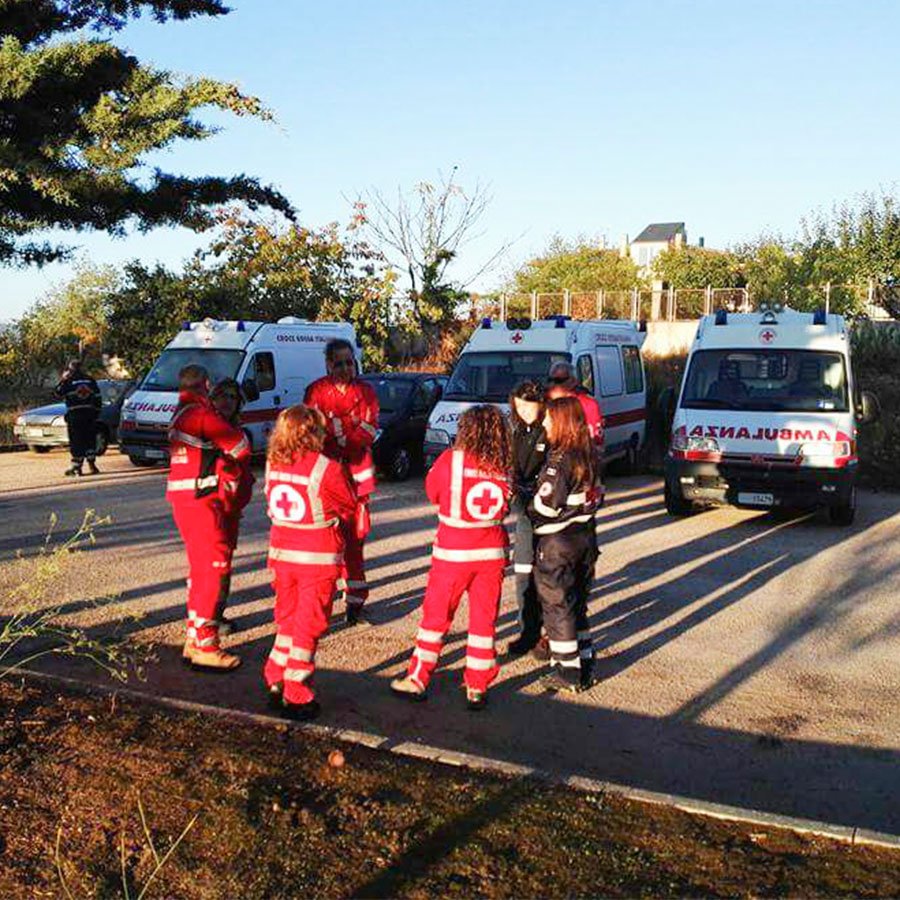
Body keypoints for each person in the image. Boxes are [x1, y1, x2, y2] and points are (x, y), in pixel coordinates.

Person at [391, 405, 512, 710]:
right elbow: (507, 506)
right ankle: (477, 686)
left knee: (436, 618)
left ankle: (418, 678)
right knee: (484, 622)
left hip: (453, 554)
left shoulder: (450, 461)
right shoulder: (504, 464)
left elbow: (433, 492)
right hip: (492, 554)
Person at [263, 404, 357, 721]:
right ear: (314, 432)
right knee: (309, 624)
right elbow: (347, 504)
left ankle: (275, 675)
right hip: (316, 558)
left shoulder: (273, 463)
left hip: (281, 555)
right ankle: (297, 691)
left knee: (287, 619)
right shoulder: (325, 468)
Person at [167, 364, 250, 671]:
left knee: (200, 572)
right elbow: (240, 449)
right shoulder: (202, 415)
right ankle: (206, 644)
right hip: (204, 502)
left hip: (190, 501)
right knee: (212, 572)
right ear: (206, 385)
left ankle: (194, 637)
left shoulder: (180, 413)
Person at [304, 339, 379, 625]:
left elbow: (368, 430)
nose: (346, 368)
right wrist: (340, 437)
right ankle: (319, 601)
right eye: (339, 363)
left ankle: (355, 604)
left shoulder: (366, 391)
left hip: (356, 474)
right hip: (324, 475)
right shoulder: (317, 390)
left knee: (354, 540)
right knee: (323, 539)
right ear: (328, 364)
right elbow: (310, 430)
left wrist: (340, 439)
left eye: (350, 362)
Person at [529, 396, 600, 692]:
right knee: (577, 604)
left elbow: (545, 505)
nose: (544, 422)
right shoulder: (591, 455)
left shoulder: (561, 460)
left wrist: (527, 501)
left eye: (549, 418)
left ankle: (567, 671)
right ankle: (584, 663)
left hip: (558, 543)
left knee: (558, 607)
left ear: (561, 422)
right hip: (585, 538)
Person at [505, 381, 550, 659]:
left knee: (547, 574)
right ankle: (529, 629)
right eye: (518, 406)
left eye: (528, 405)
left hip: (547, 508)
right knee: (523, 571)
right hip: (524, 509)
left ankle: (550, 632)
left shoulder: (551, 429)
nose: (523, 411)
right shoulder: (516, 431)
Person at [209, 378, 256, 631]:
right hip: (211, 509)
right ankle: (210, 616)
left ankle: (216, 612)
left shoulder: (239, 433)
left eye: (232, 397)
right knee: (214, 563)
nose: (227, 401)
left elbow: (244, 473)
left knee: (224, 562)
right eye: (222, 395)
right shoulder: (207, 432)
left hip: (231, 510)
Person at [55, 359, 102, 477]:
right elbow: (98, 398)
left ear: (70, 369)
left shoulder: (68, 381)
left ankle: (77, 467)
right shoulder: (90, 380)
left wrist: (63, 379)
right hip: (90, 415)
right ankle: (92, 465)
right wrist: (96, 413)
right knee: (90, 439)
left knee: (77, 441)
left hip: (75, 415)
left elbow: (58, 393)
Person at [546, 360, 604, 453]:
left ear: (573, 381)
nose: (553, 385)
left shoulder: (587, 404)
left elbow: (596, 440)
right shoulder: (545, 402)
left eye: (559, 381)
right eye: (550, 380)